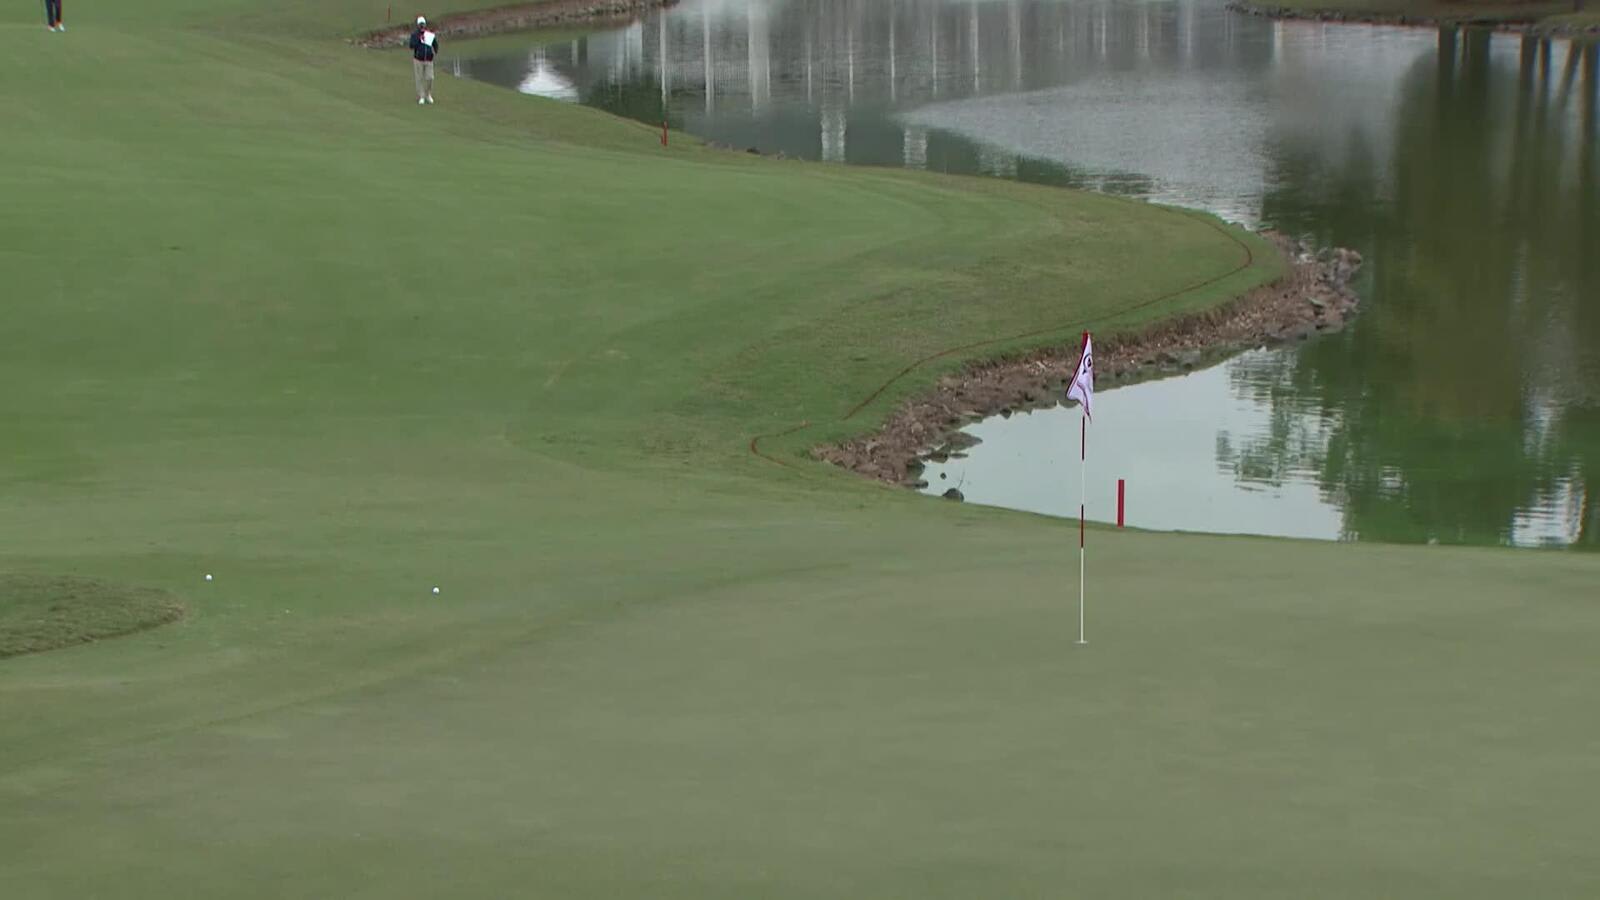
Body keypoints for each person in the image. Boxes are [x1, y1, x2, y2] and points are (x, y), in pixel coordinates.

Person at [408, 16, 438, 105]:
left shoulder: (429, 34)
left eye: (423, 24)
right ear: (418, 25)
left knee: (430, 78)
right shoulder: (415, 35)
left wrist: (435, 51)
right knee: (419, 79)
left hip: (429, 59)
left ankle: (428, 94)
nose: (422, 26)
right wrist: (419, 39)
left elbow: (435, 44)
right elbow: (411, 45)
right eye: (420, 24)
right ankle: (421, 96)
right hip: (418, 59)